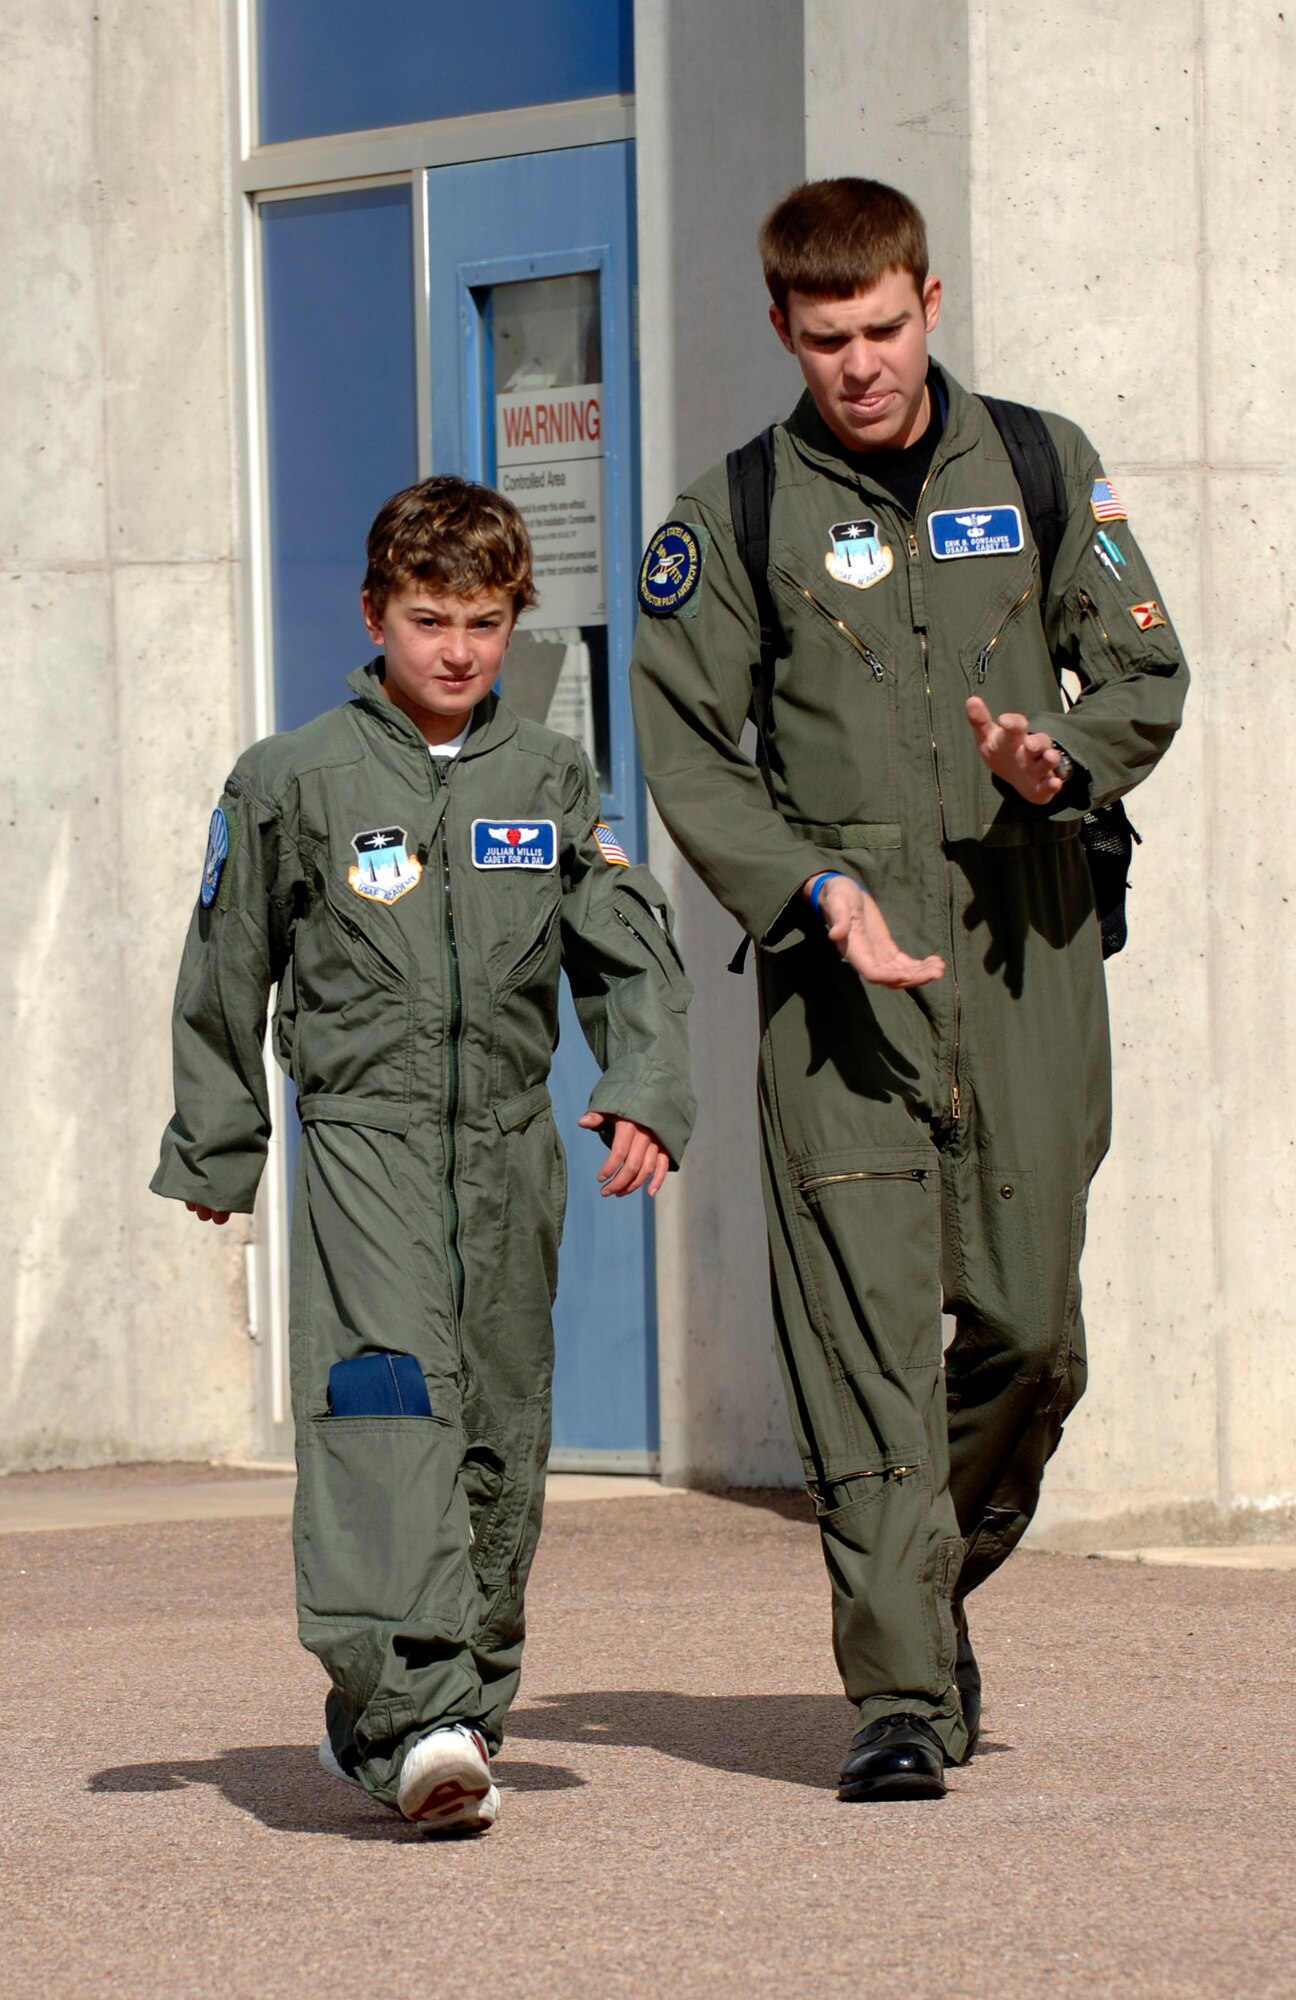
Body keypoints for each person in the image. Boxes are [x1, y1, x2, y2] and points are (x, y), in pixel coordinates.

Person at [629, 178, 1186, 1801]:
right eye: (825, 341)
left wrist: (1054, 759)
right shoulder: (730, 513)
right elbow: (685, 748)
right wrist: (812, 886)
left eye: (882, 329)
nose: (859, 365)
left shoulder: (1041, 464)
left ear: (929, 302)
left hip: (1024, 949)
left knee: (1030, 1336)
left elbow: (1145, 667)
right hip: (842, 983)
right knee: (866, 1346)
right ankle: (898, 1703)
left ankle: (919, 1595)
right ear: (785, 330)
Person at [152, 477, 694, 1834]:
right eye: (428, 618)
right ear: (374, 614)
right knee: (391, 1414)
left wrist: (643, 1086)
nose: (456, 649)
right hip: (366, 1148)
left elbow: (630, 951)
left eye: (486, 621)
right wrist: (222, 1140)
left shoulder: (553, 779)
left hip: (512, 1155)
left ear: (516, 621)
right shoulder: (294, 781)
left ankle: (446, 1711)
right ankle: (413, 1708)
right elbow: (223, 972)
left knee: (500, 1428)